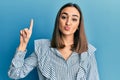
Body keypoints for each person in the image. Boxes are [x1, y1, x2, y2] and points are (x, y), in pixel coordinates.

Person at [8, 3, 99, 80]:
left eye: (74, 19)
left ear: (79, 25)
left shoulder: (87, 52)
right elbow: (14, 74)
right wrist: (23, 45)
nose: (68, 22)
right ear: (58, 21)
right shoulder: (42, 49)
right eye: (64, 17)